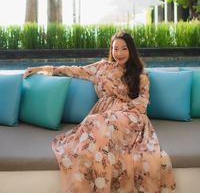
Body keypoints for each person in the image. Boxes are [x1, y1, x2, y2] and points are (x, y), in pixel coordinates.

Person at [24, 31, 176, 193]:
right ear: (111, 50)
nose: (119, 53)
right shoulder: (102, 67)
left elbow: (143, 103)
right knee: (91, 133)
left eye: (124, 49)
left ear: (131, 50)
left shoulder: (140, 75)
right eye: (115, 49)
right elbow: (75, 70)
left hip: (130, 118)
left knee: (96, 123)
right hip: (103, 117)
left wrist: (120, 109)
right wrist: (41, 68)